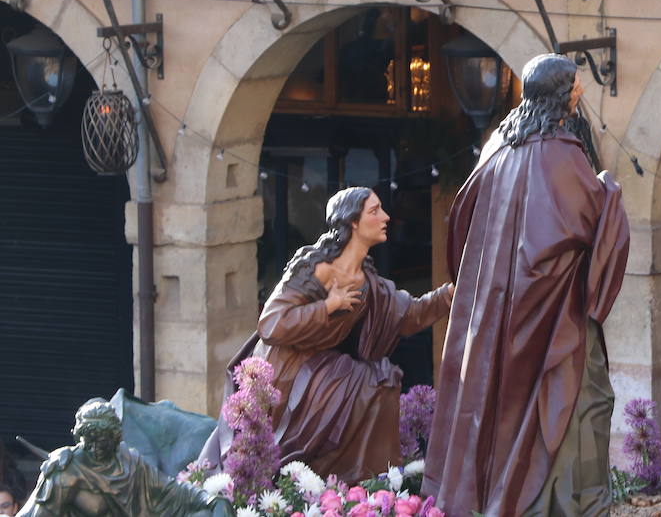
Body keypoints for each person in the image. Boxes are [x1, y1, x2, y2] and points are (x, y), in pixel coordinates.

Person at [424, 54, 630, 516]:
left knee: (501, 404)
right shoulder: (561, 153)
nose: (580, 93)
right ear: (562, 93)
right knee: (578, 399)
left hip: (499, 305)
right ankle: (560, 503)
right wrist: (608, 189)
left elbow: (461, 217)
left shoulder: (499, 144)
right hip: (553, 311)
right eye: (576, 86)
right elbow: (587, 218)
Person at [201, 187, 454, 482]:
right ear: (353, 223)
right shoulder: (317, 266)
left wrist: (449, 296)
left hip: (319, 368)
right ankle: (351, 479)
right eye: (374, 211)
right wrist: (327, 306)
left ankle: (370, 483)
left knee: (381, 379)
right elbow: (271, 324)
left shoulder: (367, 281)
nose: (385, 217)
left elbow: (408, 315)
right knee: (368, 381)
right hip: (286, 374)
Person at [18, 399, 218, 517]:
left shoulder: (130, 461)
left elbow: (173, 491)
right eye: (89, 442)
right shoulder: (65, 471)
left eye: (102, 442)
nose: (95, 448)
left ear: (115, 438)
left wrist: (209, 500)